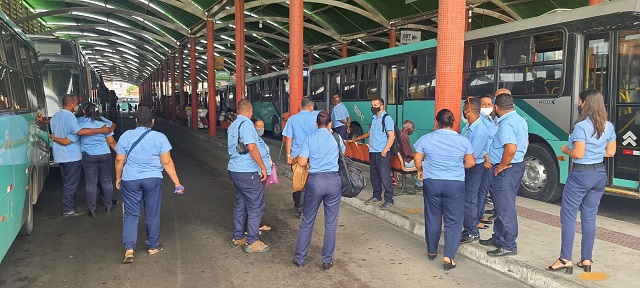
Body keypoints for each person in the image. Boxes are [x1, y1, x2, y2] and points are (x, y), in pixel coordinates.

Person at [545, 89, 616, 274]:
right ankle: (586, 259)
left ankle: (564, 259)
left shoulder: (581, 126)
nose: (578, 104)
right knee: (589, 217)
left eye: (580, 101)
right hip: (599, 173)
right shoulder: (608, 126)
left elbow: (578, 153)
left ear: (585, 103)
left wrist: (565, 150)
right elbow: (610, 152)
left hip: (581, 175)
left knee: (568, 216)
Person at [115, 107, 183, 263]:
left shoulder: (126, 136)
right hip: (152, 179)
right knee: (152, 213)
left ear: (136, 121)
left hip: (130, 179)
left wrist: (118, 177)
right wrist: (177, 183)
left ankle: (129, 249)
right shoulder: (160, 138)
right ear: (153, 122)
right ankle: (153, 246)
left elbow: (119, 159)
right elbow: (166, 161)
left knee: (131, 215)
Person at [414, 109, 475, 270]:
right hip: (454, 184)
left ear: (437, 123)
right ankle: (448, 257)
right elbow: (471, 163)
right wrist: (457, 167)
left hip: (432, 182)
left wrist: (420, 170)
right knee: (453, 220)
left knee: (432, 216)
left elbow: (417, 158)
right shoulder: (463, 141)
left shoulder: (426, 139)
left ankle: (431, 251)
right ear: (453, 123)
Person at [293, 111, 345, 270]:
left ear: (316, 124)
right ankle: (327, 260)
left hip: (315, 181)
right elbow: (344, 153)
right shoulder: (336, 138)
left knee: (307, 220)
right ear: (330, 124)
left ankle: (300, 259)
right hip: (334, 181)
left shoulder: (310, 138)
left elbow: (302, 162)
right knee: (331, 222)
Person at [479, 93, 528, 257]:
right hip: (515, 167)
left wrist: (501, 166)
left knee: (505, 208)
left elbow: (511, 148)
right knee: (501, 206)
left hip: (506, 170)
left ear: (496, 108)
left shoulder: (506, 124)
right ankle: (498, 238)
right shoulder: (520, 120)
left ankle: (508, 244)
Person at [49, 95, 111, 217]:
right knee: (71, 184)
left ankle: (72, 205)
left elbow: (57, 128)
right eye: (76, 103)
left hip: (59, 155)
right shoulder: (71, 118)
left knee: (68, 182)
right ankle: (68, 209)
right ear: (71, 104)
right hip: (71, 155)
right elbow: (79, 132)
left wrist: (53, 136)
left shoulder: (55, 117)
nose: (76, 106)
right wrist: (100, 130)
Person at [228, 100, 270, 253]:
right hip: (247, 172)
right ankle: (252, 241)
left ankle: (238, 236)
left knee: (241, 202)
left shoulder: (233, 125)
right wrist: (262, 167)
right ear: (250, 111)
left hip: (234, 170)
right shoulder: (247, 125)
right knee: (256, 205)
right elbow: (252, 148)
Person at [349, 97, 396, 209]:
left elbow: (392, 136)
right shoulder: (374, 118)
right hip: (373, 151)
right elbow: (370, 133)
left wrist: (385, 150)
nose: (373, 107)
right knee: (374, 176)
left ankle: (389, 199)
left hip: (382, 152)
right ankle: (376, 196)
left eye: (375, 105)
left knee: (385, 176)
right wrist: (356, 139)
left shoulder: (387, 118)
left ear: (381, 106)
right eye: (372, 105)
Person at [460, 98, 492, 244]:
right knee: (466, 198)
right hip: (467, 166)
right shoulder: (468, 126)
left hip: (473, 167)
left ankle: (473, 232)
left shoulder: (479, 130)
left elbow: (472, 154)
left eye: (464, 108)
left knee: (470, 199)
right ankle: (468, 228)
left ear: (470, 110)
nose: (463, 110)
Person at [283, 97, 319, 217]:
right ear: (311, 107)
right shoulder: (316, 118)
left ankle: (298, 204)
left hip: (297, 156)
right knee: (311, 181)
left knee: (298, 182)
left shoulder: (292, 119)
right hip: (313, 156)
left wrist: (288, 155)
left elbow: (288, 138)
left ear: (300, 106)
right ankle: (307, 206)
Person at [477, 93, 499, 229]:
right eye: (483, 104)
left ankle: (480, 214)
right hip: (483, 160)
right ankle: (475, 219)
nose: (486, 107)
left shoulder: (490, 119)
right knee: (479, 191)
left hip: (490, 160)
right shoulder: (479, 121)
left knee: (484, 190)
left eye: (489, 104)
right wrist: (486, 158)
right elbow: (481, 143)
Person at [395, 120, 422, 195]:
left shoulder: (399, 134)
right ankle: (420, 185)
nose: (413, 130)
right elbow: (408, 153)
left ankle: (419, 184)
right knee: (422, 163)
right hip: (405, 162)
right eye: (413, 128)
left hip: (398, 162)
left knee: (416, 162)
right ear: (409, 129)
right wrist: (420, 156)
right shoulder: (404, 136)